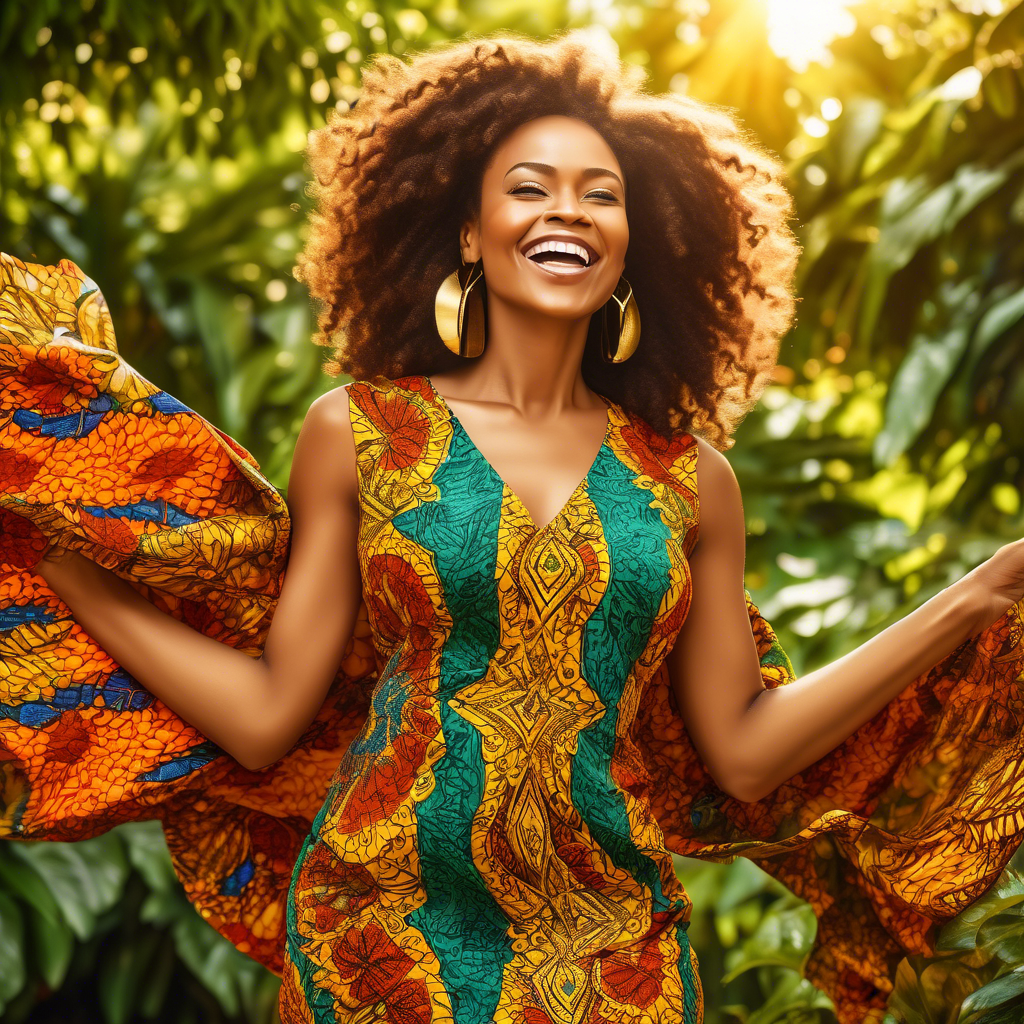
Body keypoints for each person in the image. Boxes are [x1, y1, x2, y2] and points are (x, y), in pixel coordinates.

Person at [3, 30, 1024, 1024]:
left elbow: (746, 753)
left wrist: (973, 595)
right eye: (529, 186)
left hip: (617, 952)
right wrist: (79, 582)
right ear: (465, 230)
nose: (566, 211)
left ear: (634, 241)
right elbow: (269, 712)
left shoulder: (689, 482)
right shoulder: (360, 434)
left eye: (601, 193)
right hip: (381, 940)